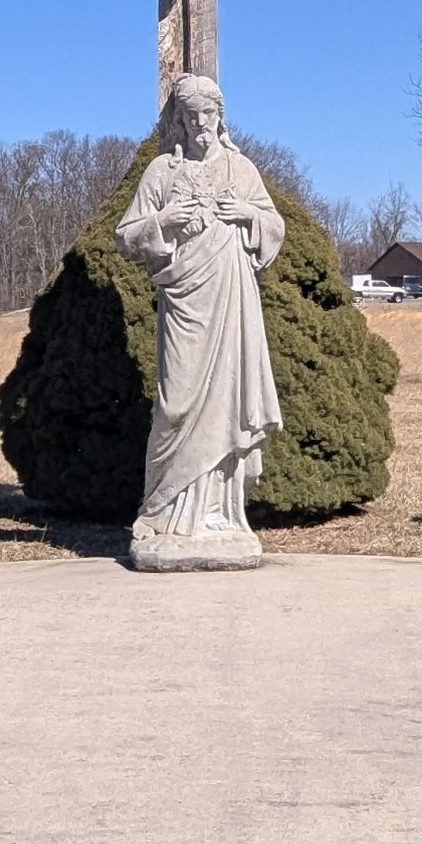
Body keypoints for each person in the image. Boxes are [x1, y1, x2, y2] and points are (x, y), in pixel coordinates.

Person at [112, 74, 285, 566]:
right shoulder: (162, 171)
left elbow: (274, 226)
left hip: (231, 296)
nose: (200, 124)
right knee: (176, 403)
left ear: (220, 116)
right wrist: (163, 222)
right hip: (184, 300)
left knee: (228, 399)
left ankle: (219, 517)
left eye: (208, 114)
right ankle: (163, 513)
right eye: (190, 116)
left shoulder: (240, 168)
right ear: (180, 122)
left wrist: (246, 213)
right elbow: (125, 236)